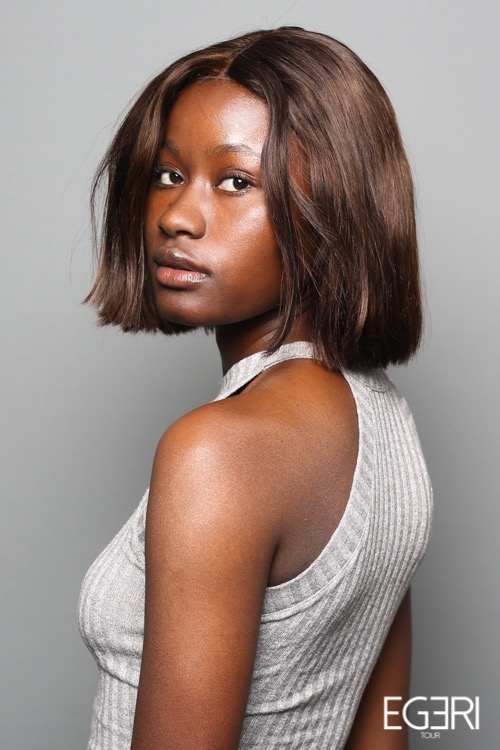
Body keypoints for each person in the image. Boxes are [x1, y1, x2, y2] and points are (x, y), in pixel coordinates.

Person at [79, 27, 432, 750]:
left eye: (236, 181)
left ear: (333, 206)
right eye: (168, 173)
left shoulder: (217, 453)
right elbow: (385, 728)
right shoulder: (385, 423)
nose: (176, 216)